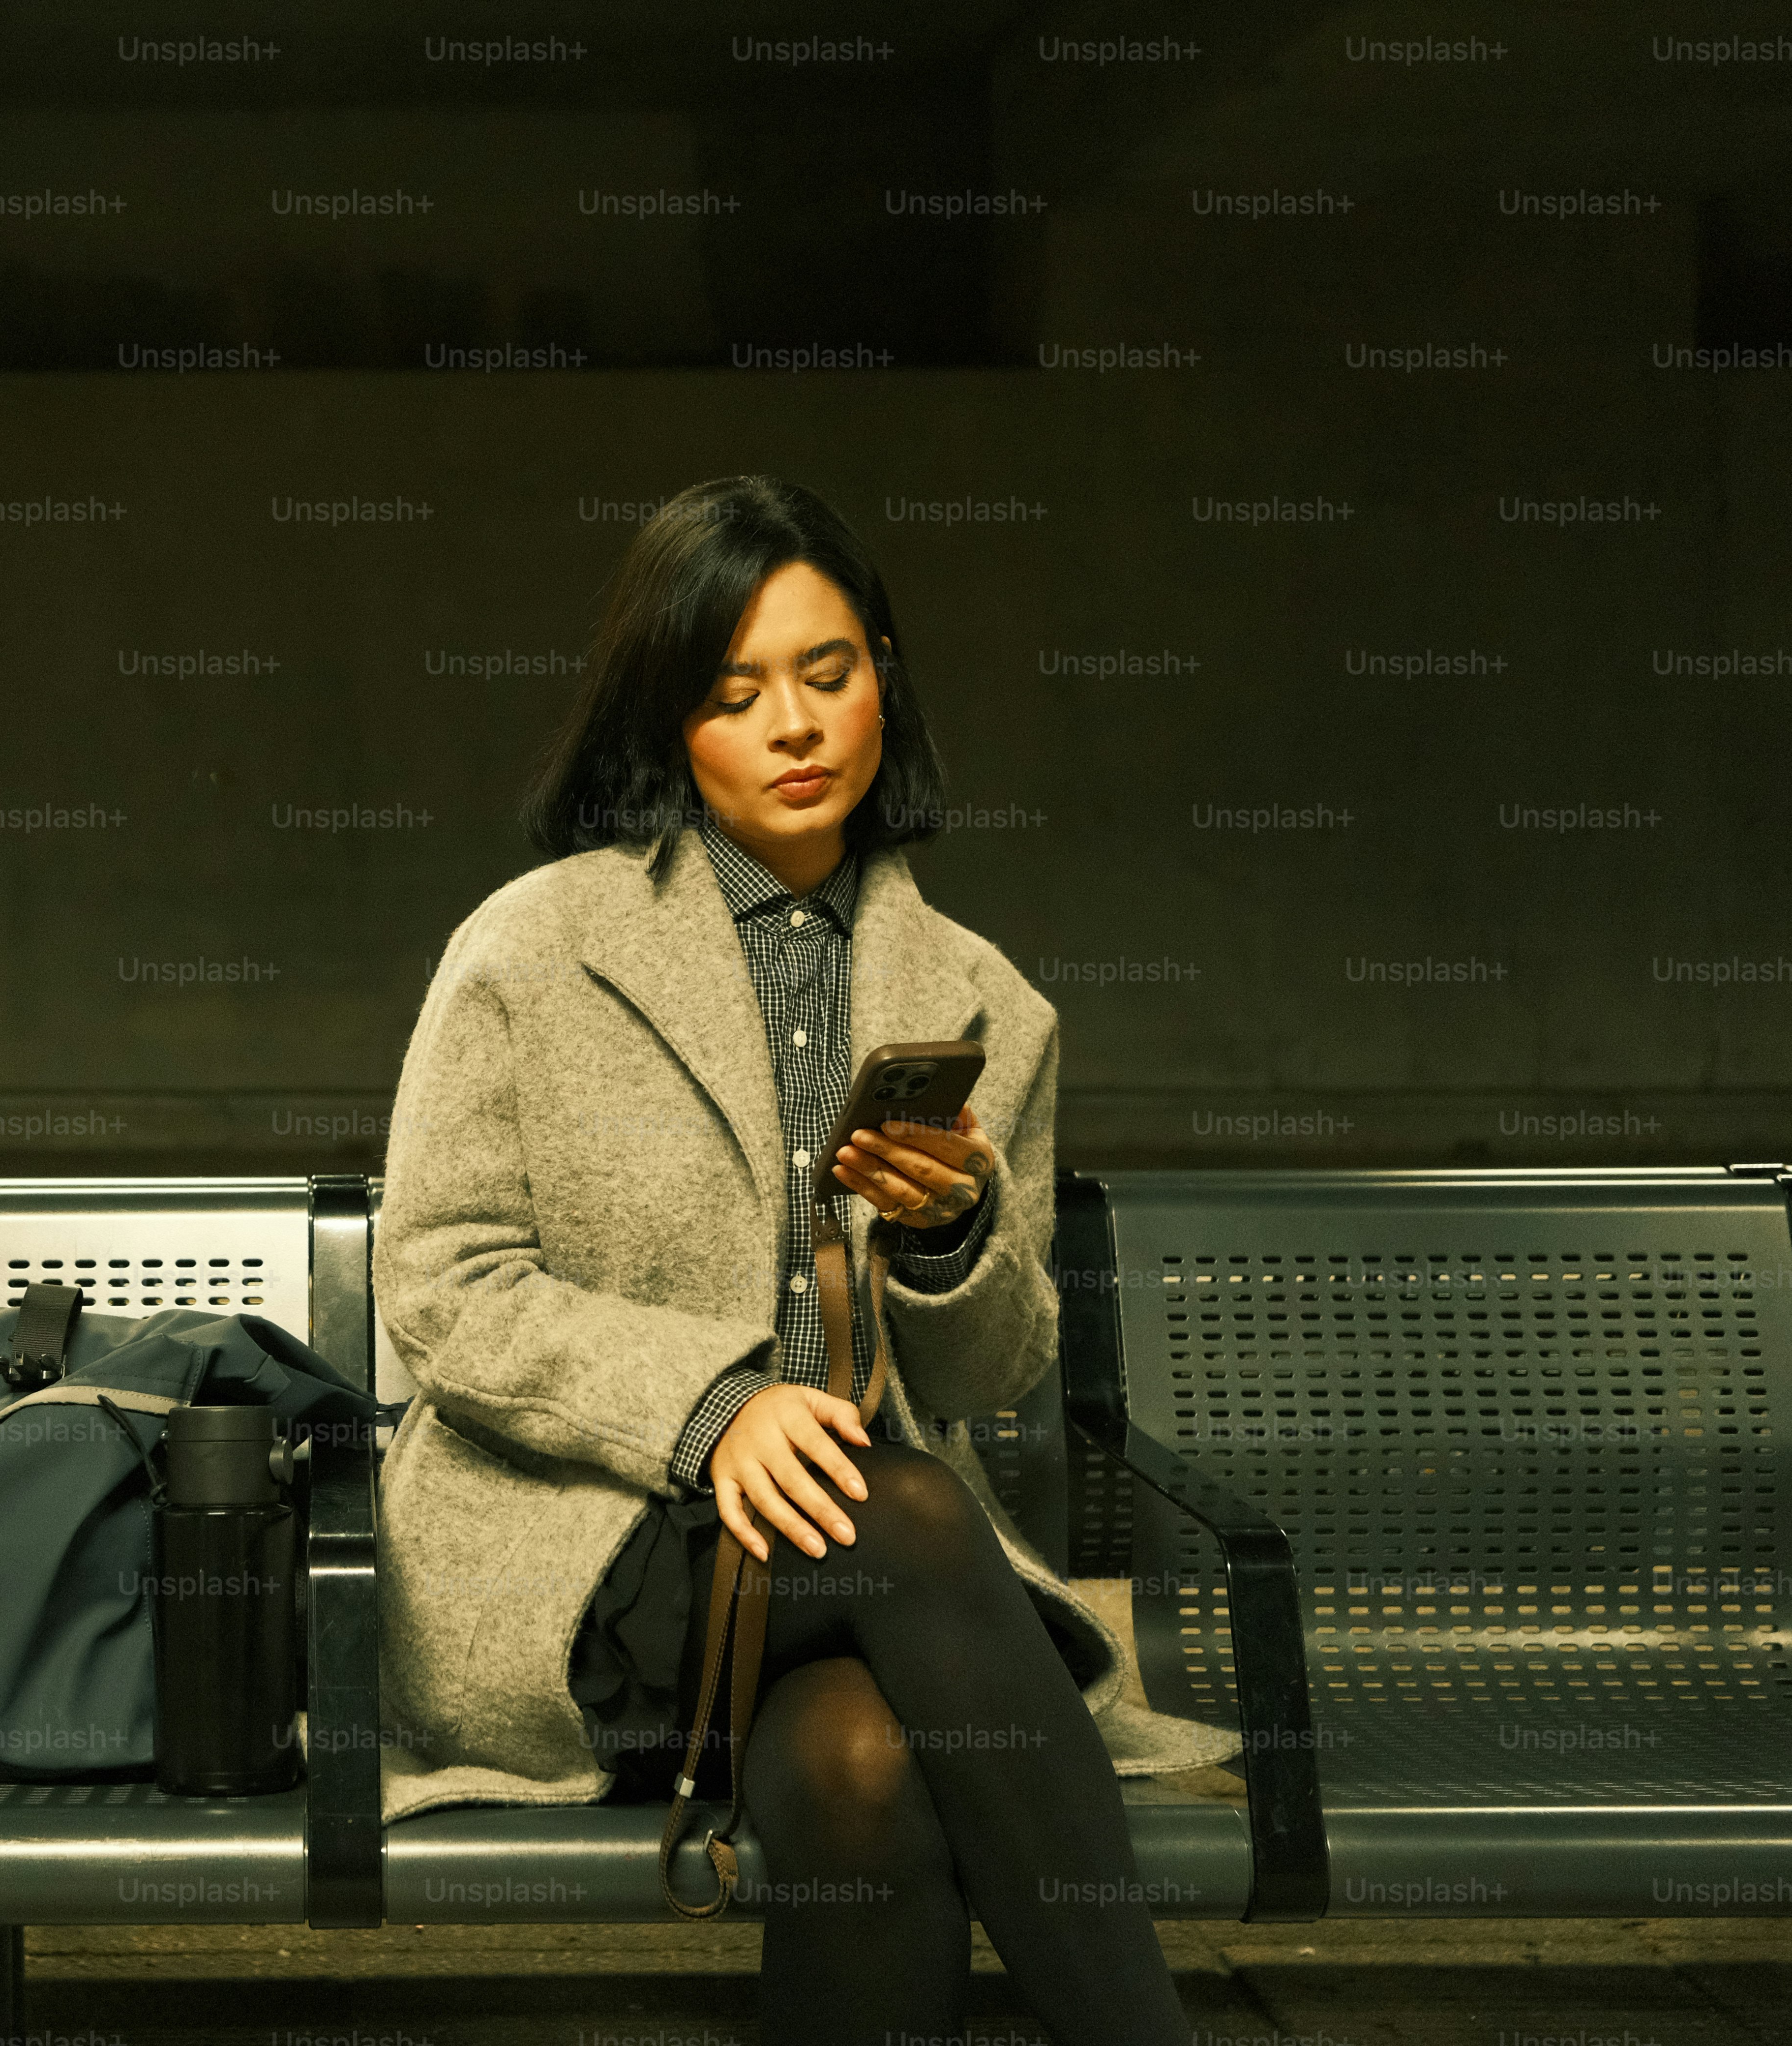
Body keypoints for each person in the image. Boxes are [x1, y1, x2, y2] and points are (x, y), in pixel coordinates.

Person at [371, 475, 1234, 2044]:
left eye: (828, 675)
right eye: (734, 693)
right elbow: (442, 1283)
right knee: (903, 1510)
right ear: (669, 721)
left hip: (857, 1598)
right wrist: (714, 1411)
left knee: (862, 1770)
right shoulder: (532, 949)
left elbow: (989, 1375)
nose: (794, 726)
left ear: (883, 680)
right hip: (580, 1557)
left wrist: (951, 1237)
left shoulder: (985, 1000)